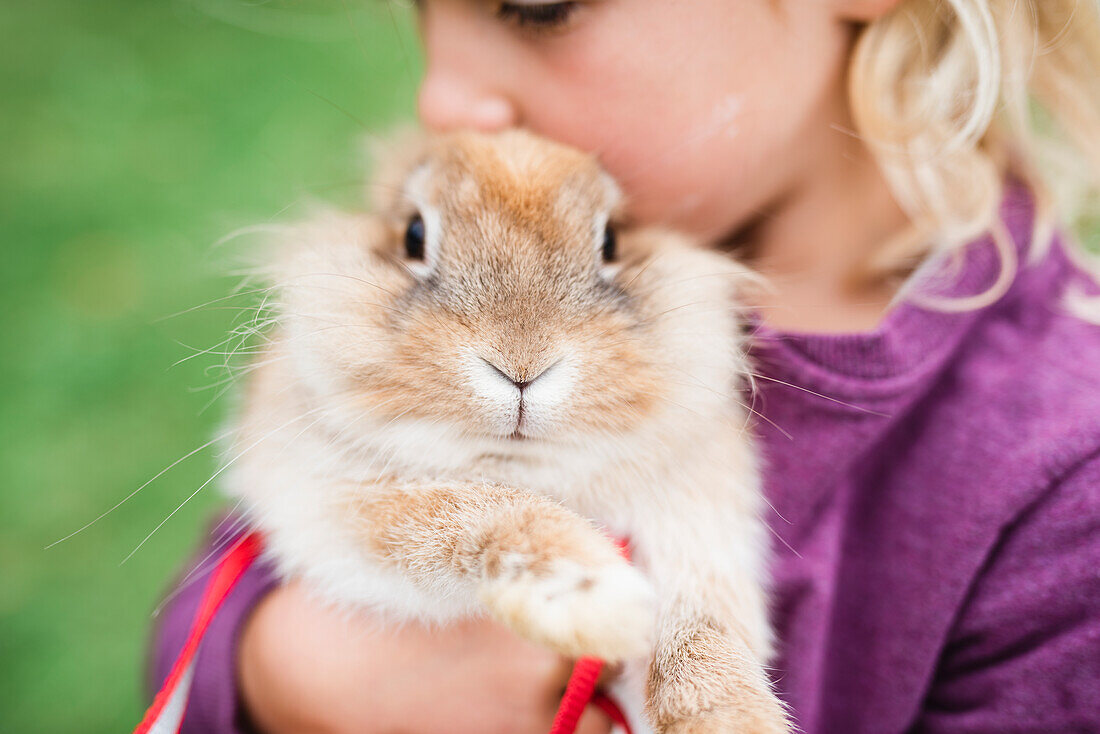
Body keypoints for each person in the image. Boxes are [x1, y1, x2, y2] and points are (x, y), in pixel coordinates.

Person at [149, 1, 1100, 732]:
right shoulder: (399, 262)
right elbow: (217, 594)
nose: (442, 96)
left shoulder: (1063, 485)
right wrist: (283, 675)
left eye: (537, 4)